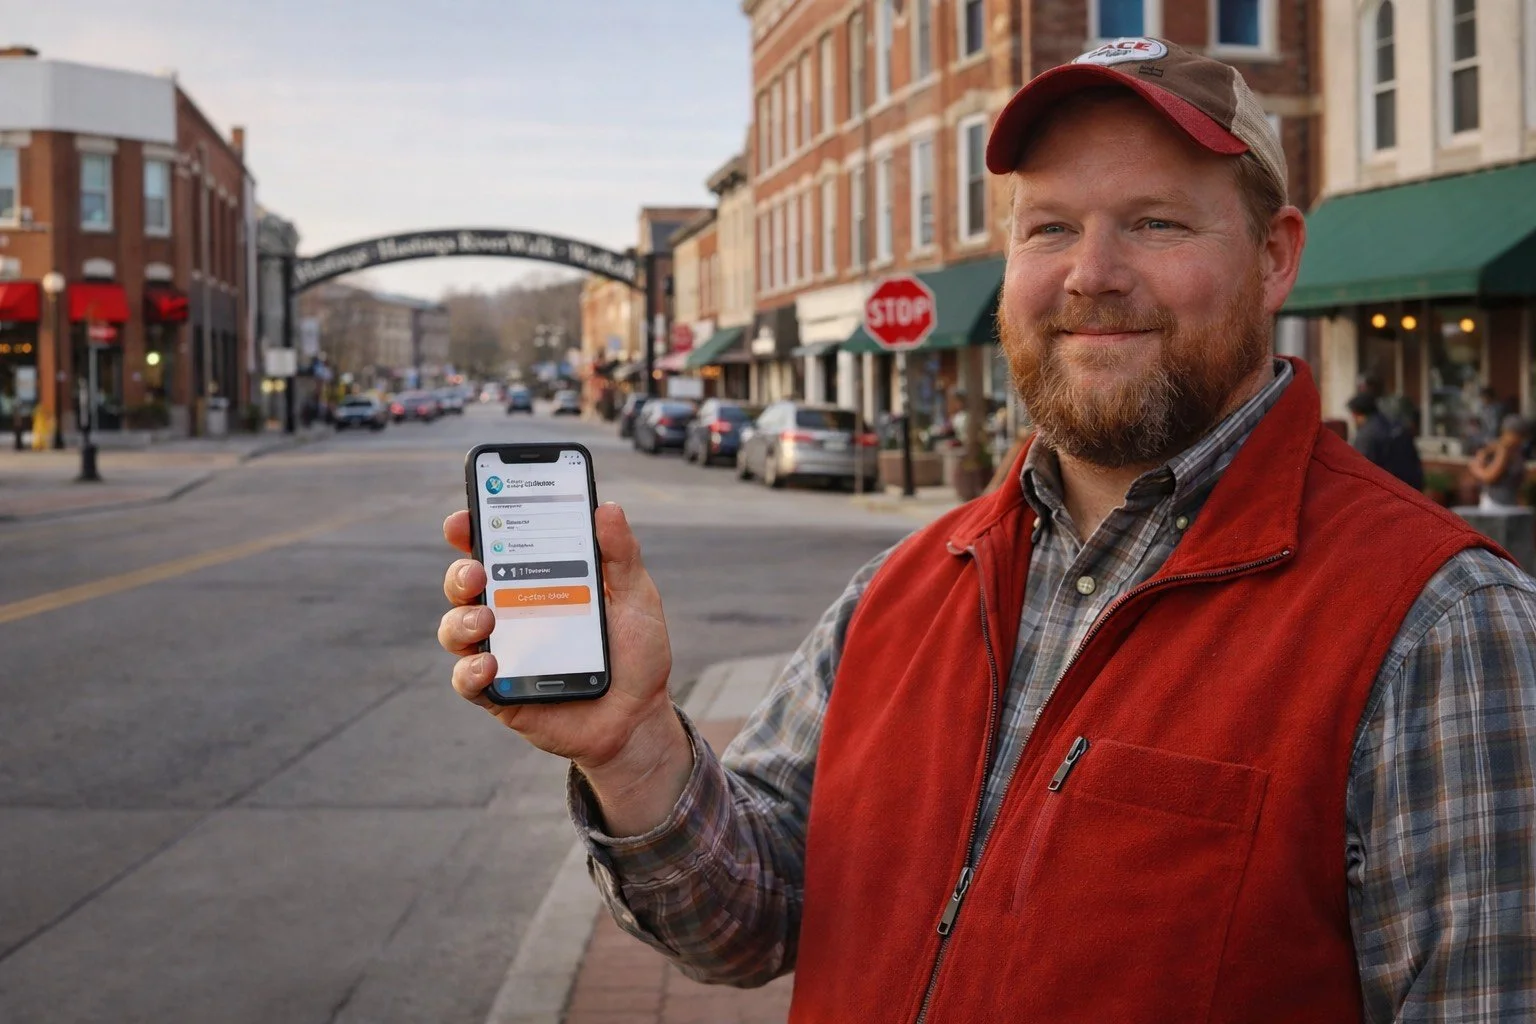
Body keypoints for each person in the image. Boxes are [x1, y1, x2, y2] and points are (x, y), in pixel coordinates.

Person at [438, 38, 1536, 1021]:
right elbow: (750, 922)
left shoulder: (1444, 628)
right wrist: (635, 752)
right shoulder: (905, 586)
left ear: (1275, 255)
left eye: (1154, 222)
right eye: (1049, 227)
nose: (1091, 274)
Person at [1347, 392, 1424, 490]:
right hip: (1411, 492)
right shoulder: (1398, 427)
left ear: (1356, 413)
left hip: (1386, 495)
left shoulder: (1366, 435)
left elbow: (1359, 472)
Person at [1469, 414, 1531, 511]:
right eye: (1517, 435)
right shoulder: (1500, 449)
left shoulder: (1517, 451)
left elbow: (1520, 481)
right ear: (1507, 433)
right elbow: (1490, 475)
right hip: (1495, 502)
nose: (1521, 440)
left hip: (1512, 503)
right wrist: (1477, 469)